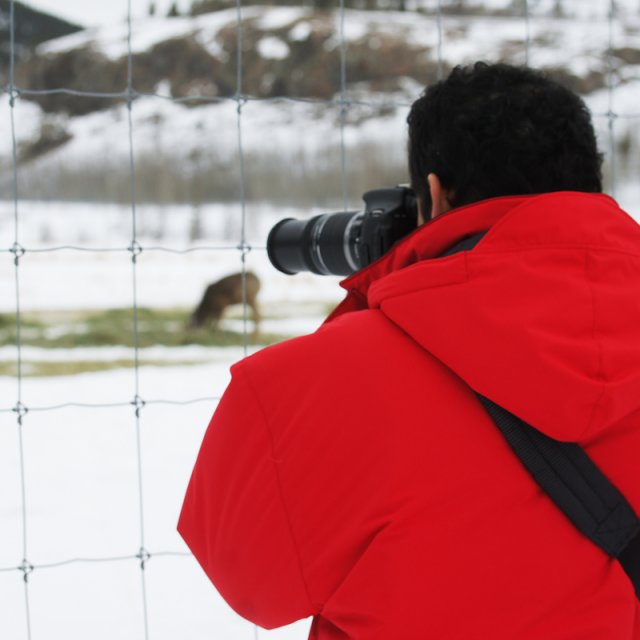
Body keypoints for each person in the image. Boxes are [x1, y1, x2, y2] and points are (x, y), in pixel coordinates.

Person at [178, 62, 640, 639]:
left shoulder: (306, 385)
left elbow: (249, 582)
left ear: (435, 193)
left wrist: (381, 296)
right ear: (590, 185)